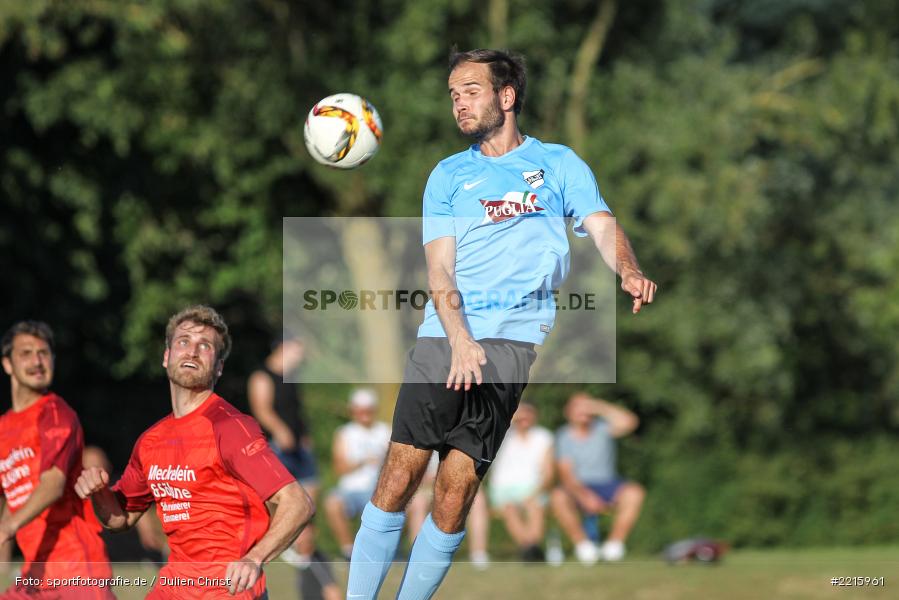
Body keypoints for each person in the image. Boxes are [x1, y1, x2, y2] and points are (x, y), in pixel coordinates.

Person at [345, 48, 657, 600]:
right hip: (445, 339)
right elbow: (438, 267)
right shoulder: (447, 176)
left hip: (512, 348)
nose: (458, 103)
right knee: (400, 473)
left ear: (506, 97)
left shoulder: (559, 165)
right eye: (453, 94)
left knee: (457, 490)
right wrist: (460, 338)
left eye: (470, 90)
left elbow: (601, 224)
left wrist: (628, 271)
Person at [75, 305, 314, 599]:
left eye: (205, 346)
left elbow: (298, 502)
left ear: (219, 367)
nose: (192, 351)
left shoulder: (231, 428)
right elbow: (120, 519)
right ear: (166, 357)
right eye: (184, 342)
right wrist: (98, 492)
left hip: (228, 589)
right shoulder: (151, 441)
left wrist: (254, 558)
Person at [0, 321, 114, 599]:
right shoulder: (4, 428)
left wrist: (6, 528)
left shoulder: (55, 414)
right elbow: (10, 497)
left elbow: (53, 483)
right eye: (26, 353)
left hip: (77, 570)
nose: (37, 361)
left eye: (43, 353)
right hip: (36, 573)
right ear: (7, 364)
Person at [248, 337, 340, 600]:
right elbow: (261, 410)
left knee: (310, 499)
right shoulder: (262, 376)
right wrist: (280, 431)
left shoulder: (292, 376)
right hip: (276, 448)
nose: (301, 355)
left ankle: (303, 542)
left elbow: (297, 411)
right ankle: (283, 544)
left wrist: (305, 437)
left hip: (300, 448)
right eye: (298, 350)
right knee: (281, 501)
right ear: (283, 347)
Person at [551, 393, 646, 563]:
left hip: (607, 483)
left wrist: (598, 406)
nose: (584, 410)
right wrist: (584, 496)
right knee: (558, 497)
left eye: (586, 406)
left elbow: (630, 422)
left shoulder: (603, 428)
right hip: (578, 486)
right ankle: (584, 546)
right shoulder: (563, 436)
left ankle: (614, 545)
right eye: (578, 407)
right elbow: (566, 475)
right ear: (568, 412)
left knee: (635, 493)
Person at [323, 389, 389, 561]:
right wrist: (363, 461)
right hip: (350, 490)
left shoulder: (385, 431)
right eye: (360, 410)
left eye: (368, 409)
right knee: (332, 503)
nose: (364, 414)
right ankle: (349, 552)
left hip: (379, 488)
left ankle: (390, 551)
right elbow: (339, 468)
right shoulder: (344, 433)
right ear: (353, 411)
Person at [487, 402, 554, 562]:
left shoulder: (543, 437)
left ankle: (529, 550)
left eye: (527, 413)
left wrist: (536, 492)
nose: (524, 417)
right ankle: (531, 549)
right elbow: (493, 422)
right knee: (510, 509)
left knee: (535, 506)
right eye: (520, 413)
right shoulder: (502, 435)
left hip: (533, 486)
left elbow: (548, 472)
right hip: (503, 487)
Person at [405, 452, 491, 570]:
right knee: (419, 503)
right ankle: (418, 557)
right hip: (423, 488)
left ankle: (478, 554)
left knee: (478, 499)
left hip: (453, 485)